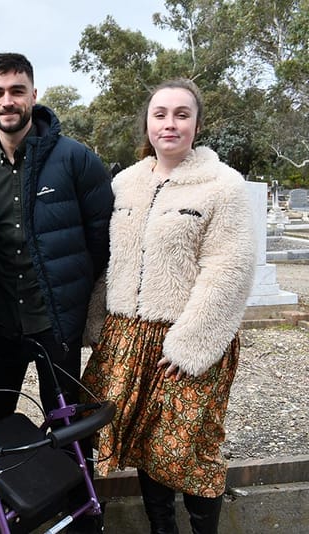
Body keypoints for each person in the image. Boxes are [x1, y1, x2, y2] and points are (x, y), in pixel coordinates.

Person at [81, 79, 255, 534]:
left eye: (182, 114)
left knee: (190, 447)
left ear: (197, 123)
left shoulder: (223, 186)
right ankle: (162, 529)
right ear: (148, 122)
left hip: (188, 337)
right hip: (128, 333)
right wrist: (97, 323)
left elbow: (228, 268)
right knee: (145, 442)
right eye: (160, 114)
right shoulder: (125, 183)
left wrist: (191, 344)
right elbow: (112, 259)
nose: (170, 124)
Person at [0, 53, 113, 532]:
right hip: (1, 321)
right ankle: (9, 511)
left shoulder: (74, 158)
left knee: (65, 422)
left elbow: (102, 237)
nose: (8, 101)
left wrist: (79, 302)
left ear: (34, 95)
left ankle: (77, 515)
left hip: (54, 323)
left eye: (16, 90)